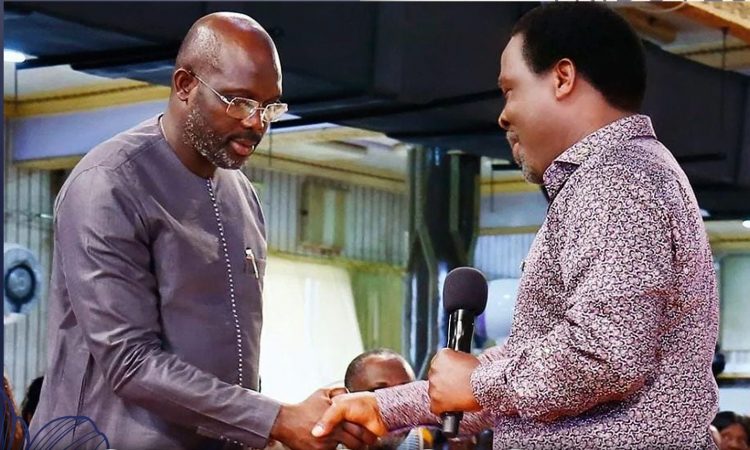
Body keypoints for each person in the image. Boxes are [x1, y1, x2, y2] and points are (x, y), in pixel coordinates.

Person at [313, 4, 719, 448]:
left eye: (510, 90)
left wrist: (479, 383)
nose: (503, 115)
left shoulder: (615, 180)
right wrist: (386, 407)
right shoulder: (623, 174)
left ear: (562, 78)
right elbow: (538, 372)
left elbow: (604, 353)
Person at [30, 12, 374, 450]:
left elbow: (234, 359)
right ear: (185, 85)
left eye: (270, 107)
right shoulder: (109, 184)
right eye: (240, 102)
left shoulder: (242, 195)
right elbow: (131, 363)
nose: (257, 123)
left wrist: (285, 424)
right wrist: (275, 420)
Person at [344, 349, 423, 450]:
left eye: (405, 394)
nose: (396, 407)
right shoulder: (327, 443)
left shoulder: (423, 441)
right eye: (379, 395)